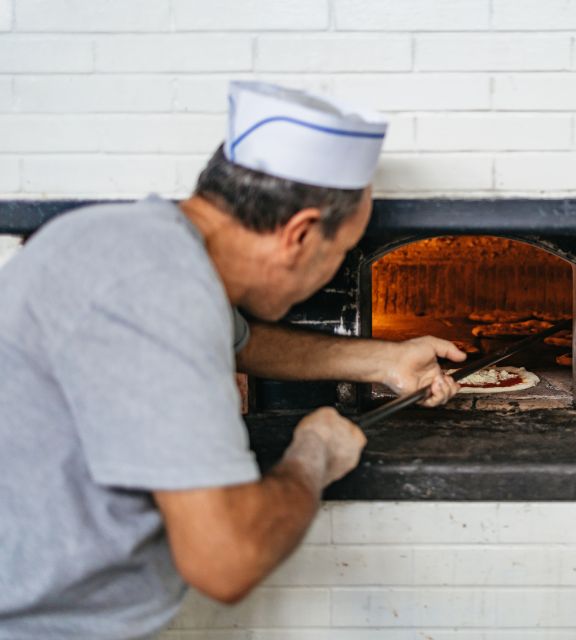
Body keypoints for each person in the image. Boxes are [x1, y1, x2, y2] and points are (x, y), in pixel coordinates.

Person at [0, 82, 464, 638]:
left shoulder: (134, 242)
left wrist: (383, 361)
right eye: (341, 254)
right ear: (300, 234)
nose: (334, 266)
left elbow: (237, 341)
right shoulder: (158, 289)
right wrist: (313, 457)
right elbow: (227, 558)